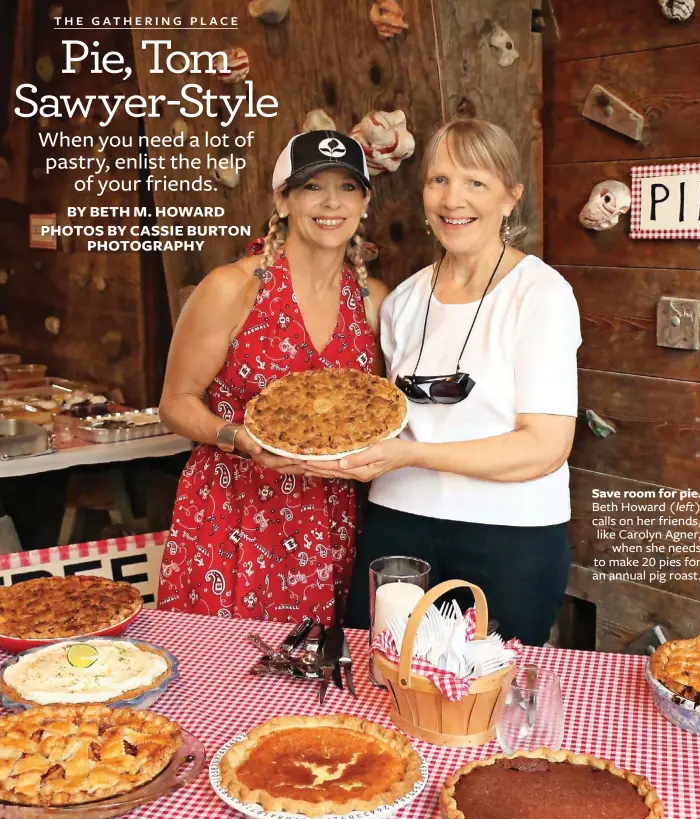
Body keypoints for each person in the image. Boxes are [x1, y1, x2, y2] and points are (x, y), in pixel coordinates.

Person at [306, 119, 581, 645]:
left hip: (509, 535)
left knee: (481, 695)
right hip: (397, 525)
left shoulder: (540, 295)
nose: (454, 199)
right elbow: (384, 418)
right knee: (382, 678)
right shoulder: (403, 301)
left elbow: (545, 448)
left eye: (476, 182)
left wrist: (411, 456)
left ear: (510, 197)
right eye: (439, 180)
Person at [157, 130, 388, 624]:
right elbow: (176, 401)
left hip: (329, 515)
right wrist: (239, 438)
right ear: (282, 200)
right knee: (216, 677)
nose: (332, 202)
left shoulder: (373, 302)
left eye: (348, 187)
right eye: (312, 187)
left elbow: (377, 412)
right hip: (233, 510)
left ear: (365, 203)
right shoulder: (231, 288)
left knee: (312, 684)